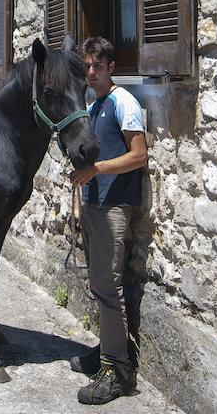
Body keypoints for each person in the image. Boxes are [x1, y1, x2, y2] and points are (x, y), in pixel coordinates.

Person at [69, 36, 147, 406]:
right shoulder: (92, 104)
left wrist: (97, 170)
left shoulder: (122, 101)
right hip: (94, 204)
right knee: (100, 286)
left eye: (98, 65)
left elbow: (138, 155)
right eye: (87, 65)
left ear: (111, 68)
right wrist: (79, 200)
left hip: (116, 206)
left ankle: (117, 370)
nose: (91, 71)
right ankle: (107, 350)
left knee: (109, 287)